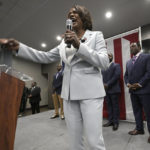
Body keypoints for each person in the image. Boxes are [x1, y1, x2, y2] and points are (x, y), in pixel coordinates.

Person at [0, 5, 109, 150]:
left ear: (84, 17)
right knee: (75, 143)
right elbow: (44, 56)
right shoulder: (63, 42)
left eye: (75, 12)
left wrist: (79, 45)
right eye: (69, 14)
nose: (71, 15)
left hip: (90, 94)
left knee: (94, 141)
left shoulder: (96, 36)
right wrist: (20, 48)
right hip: (69, 95)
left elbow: (104, 62)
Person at [124, 42, 150, 143]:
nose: (131, 48)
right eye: (130, 47)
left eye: (133, 46)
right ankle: (139, 129)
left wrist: (139, 84)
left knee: (148, 113)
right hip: (133, 92)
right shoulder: (128, 62)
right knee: (137, 111)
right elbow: (126, 76)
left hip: (144, 91)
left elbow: (149, 72)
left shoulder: (147, 57)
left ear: (139, 47)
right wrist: (128, 84)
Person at [102, 52, 121, 131]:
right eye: (106, 56)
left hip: (113, 89)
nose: (107, 57)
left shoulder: (116, 65)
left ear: (111, 57)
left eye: (109, 56)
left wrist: (108, 84)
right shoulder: (103, 67)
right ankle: (110, 121)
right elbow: (100, 77)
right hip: (106, 91)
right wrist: (103, 84)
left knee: (115, 106)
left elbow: (116, 76)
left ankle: (115, 122)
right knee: (109, 106)